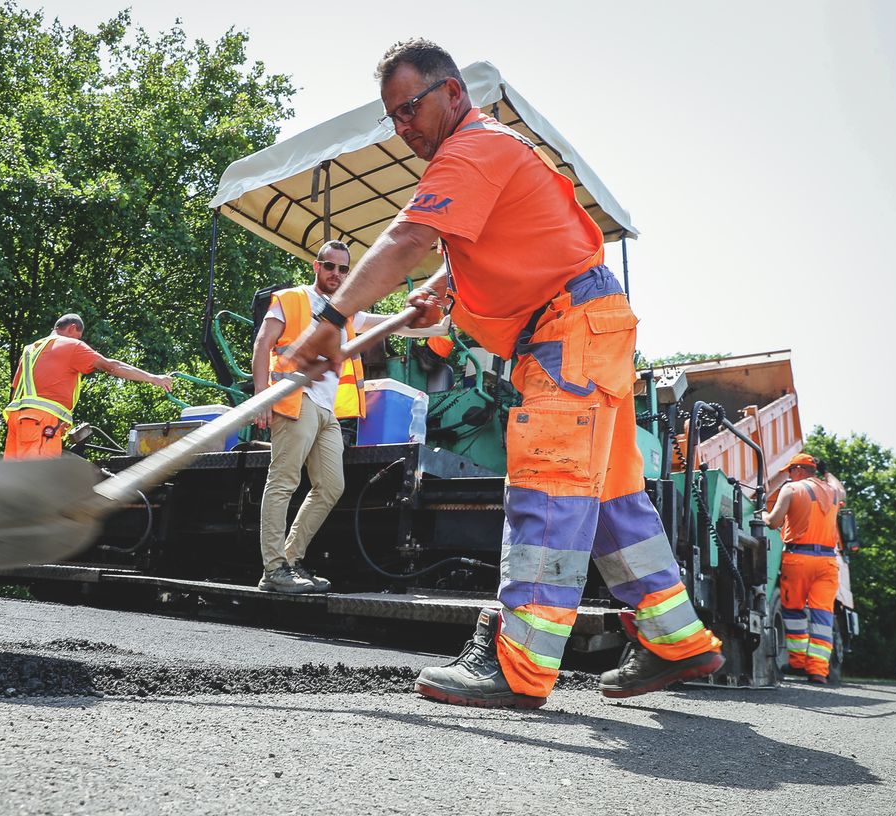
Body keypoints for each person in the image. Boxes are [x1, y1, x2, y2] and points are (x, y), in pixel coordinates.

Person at [287, 39, 723, 706]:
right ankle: (675, 640)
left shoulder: (471, 149)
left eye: (410, 108)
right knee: (609, 502)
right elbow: (466, 245)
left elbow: (407, 236)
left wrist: (333, 316)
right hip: (587, 325)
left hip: (564, 330)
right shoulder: (486, 152)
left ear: (453, 94)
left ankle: (518, 667)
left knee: (546, 487)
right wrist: (442, 288)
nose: (403, 127)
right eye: (393, 117)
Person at [252, 240, 446, 594]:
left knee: (331, 486)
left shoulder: (346, 313)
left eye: (343, 269)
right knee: (283, 482)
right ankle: (273, 569)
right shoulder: (293, 299)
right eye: (330, 267)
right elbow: (264, 342)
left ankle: (291, 560)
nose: (336, 274)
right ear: (316, 266)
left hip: (327, 411)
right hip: (296, 398)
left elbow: (392, 324)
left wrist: (439, 323)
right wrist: (261, 394)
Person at [3, 313, 173, 460]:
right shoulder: (71, 346)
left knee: (15, 481)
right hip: (41, 423)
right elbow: (111, 366)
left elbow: (15, 390)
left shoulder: (29, 350)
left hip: (17, 423)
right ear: (72, 328)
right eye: (78, 336)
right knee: (37, 481)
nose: (79, 341)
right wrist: (153, 378)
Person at [762, 452, 845, 683]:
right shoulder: (833, 491)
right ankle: (818, 670)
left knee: (795, 611)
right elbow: (841, 488)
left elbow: (773, 522)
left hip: (798, 559)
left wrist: (761, 513)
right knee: (822, 615)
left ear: (798, 470)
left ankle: (797, 663)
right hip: (828, 562)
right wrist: (827, 472)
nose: (789, 474)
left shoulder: (791, 489)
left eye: (790, 470)